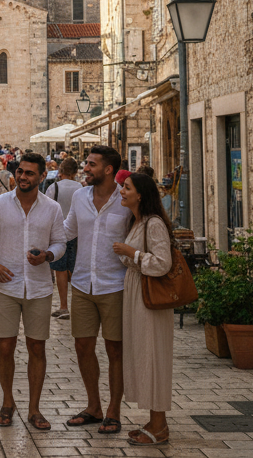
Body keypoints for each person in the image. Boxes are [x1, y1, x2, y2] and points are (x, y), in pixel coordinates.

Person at [0, 152, 67, 431]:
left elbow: (60, 243)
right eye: (20, 172)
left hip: (38, 286)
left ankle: (35, 409)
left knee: (37, 346)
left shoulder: (52, 208)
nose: (23, 177)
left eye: (29, 173)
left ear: (41, 176)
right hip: (6, 285)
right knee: (5, 346)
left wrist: (48, 255)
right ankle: (7, 401)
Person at [63, 145, 133, 435]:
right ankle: (93, 406)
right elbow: (67, 231)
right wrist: (45, 251)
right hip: (81, 283)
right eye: (86, 163)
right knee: (82, 346)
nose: (86, 168)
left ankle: (114, 411)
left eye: (91, 164)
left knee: (115, 349)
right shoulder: (79, 197)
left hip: (115, 284)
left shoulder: (126, 199)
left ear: (108, 170)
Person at [111, 173, 175, 445]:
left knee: (153, 358)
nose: (121, 191)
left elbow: (163, 263)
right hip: (137, 295)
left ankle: (160, 426)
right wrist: (130, 255)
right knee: (143, 356)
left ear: (140, 194)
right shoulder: (137, 222)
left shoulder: (154, 224)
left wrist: (130, 252)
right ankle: (154, 419)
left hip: (151, 300)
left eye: (126, 188)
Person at [49, 158, 83, 320]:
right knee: (75, 269)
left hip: (59, 233)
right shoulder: (81, 188)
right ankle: (78, 305)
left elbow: (47, 211)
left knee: (60, 271)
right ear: (75, 172)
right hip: (77, 233)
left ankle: (64, 306)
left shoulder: (53, 187)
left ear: (60, 171)